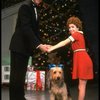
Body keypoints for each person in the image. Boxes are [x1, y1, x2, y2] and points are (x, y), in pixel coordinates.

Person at [9, 0, 50, 100]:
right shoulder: (25, 7)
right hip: (19, 46)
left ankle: (20, 97)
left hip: (24, 48)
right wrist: (39, 45)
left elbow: (34, 31)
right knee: (17, 76)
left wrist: (42, 43)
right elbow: (26, 28)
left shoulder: (34, 8)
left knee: (20, 76)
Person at [47, 16, 94, 100]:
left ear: (77, 27)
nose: (71, 29)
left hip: (83, 61)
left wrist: (52, 48)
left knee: (81, 87)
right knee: (80, 86)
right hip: (81, 60)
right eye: (69, 27)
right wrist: (52, 46)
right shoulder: (76, 36)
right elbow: (64, 46)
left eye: (73, 27)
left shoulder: (77, 34)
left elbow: (64, 42)